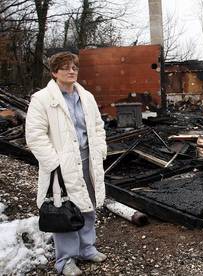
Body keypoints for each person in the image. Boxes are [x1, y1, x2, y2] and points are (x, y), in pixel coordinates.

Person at [25, 52, 108, 276]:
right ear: (54, 72)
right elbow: (34, 135)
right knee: (64, 211)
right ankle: (66, 260)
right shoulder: (43, 99)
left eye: (74, 67)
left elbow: (98, 127)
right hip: (61, 166)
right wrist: (54, 163)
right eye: (65, 68)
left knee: (88, 206)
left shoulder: (87, 97)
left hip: (87, 160)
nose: (72, 71)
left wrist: (99, 150)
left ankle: (87, 249)